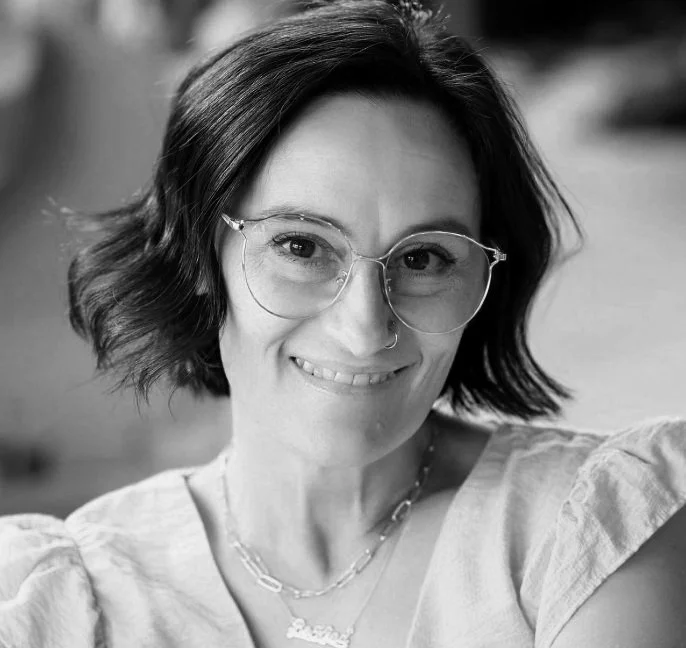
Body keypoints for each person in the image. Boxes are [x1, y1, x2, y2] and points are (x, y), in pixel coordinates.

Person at [1, 1, 685, 646]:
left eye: (423, 258)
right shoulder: (65, 599)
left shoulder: (593, 533)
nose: (365, 328)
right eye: (301, 247)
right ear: (200, 257)